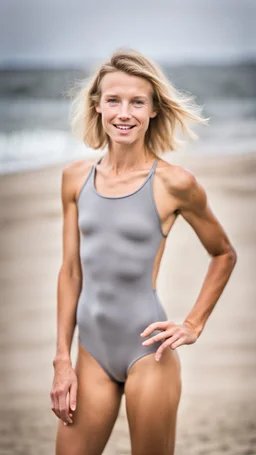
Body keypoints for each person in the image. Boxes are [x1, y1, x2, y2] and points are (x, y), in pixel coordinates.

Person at [50, 49, 237, 455]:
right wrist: (62, 359)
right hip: (91, 353)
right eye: (114, 100)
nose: (124, 112)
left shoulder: (174, 183)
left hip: (148, 353)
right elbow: (70, 272)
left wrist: (193, 324)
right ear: (97, 106)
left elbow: (223, 253)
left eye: (138, 102)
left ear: (153, 110)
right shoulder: (74, 179)